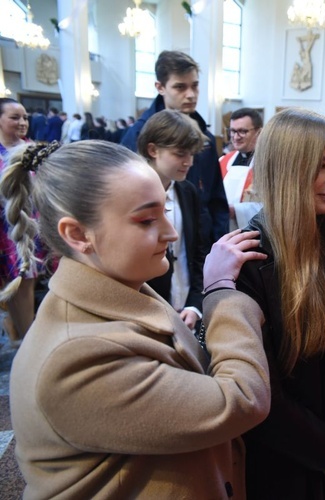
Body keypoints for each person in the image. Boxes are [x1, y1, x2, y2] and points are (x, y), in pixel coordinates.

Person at [2, 140, 271, 498]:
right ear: (78, 234)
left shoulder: (123, 289)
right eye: (146, 219)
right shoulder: (73, 357)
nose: (171, 233)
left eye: (164, 210)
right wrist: (221, 295)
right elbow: (240, 400)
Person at [234, 108, 325, 499]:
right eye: (322, 166)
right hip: (281, 463)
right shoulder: (249, 259)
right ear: (288, 169)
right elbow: (261, 390)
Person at [121, 50, 229, 243]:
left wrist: (219, 244)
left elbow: (216, 198)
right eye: (180, 87)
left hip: (200, 241)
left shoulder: (206, 138)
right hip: (157, 239)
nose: (190, 95)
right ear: (160, 87)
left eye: (195, 86)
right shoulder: (138, 135)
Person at [137, 110, 208, 331]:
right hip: (147, 309)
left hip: (185, 305)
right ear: (153, 150)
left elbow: (198, 252)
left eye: (192, 154)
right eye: (180, 154)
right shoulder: (131, 194)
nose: (189, 162)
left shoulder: (188, 191)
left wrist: (195, 304)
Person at [0, 98, 43, 348]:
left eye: (25, 117)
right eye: (15, 117)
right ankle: (17, 331)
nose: (23, 122)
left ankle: (28, 341)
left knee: (25, 282)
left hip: (28, 226)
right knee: (9, 286)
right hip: (4, 226)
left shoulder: (32, 149)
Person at [219, 108, 263, 230]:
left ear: (259, 132)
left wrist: (237, 211)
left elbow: (274, 207)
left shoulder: (268, 165)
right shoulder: (222, 161)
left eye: (242, 131)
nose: (236, 137)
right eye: (232, 131)